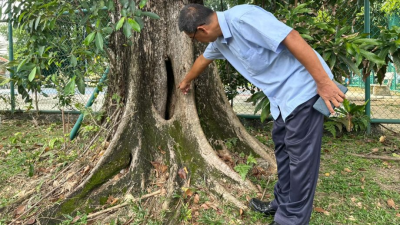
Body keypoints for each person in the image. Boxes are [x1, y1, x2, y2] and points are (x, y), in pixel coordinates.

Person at [177, 4, 345, 225]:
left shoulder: (244, 18)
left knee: (300, 160)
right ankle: (281, 203)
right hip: (282, 100)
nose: (193, 42)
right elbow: (202, 61)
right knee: (283, 151)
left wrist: (323, 82)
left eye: (192, 38)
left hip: (303, 89)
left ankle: (291, 219)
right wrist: (186, 81)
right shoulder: (219, 41)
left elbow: (292, 38)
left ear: (202, 30)